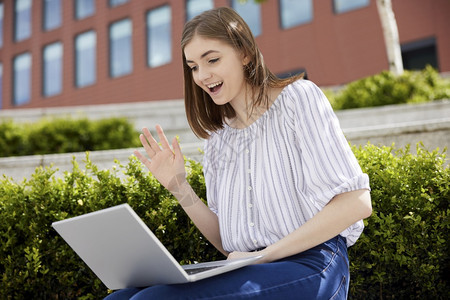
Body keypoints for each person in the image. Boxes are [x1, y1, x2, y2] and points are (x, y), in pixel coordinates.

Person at [105, 6, 372, 300]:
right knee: (120, 297)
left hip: (313, 264)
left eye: (212, 60)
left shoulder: (299, 99)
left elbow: (356, 202)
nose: (202, 75)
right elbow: (228, 243)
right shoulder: (218, 140)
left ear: (244, 53)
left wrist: (265, 256)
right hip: (251, 266)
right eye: (193, 66)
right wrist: (178, 186)